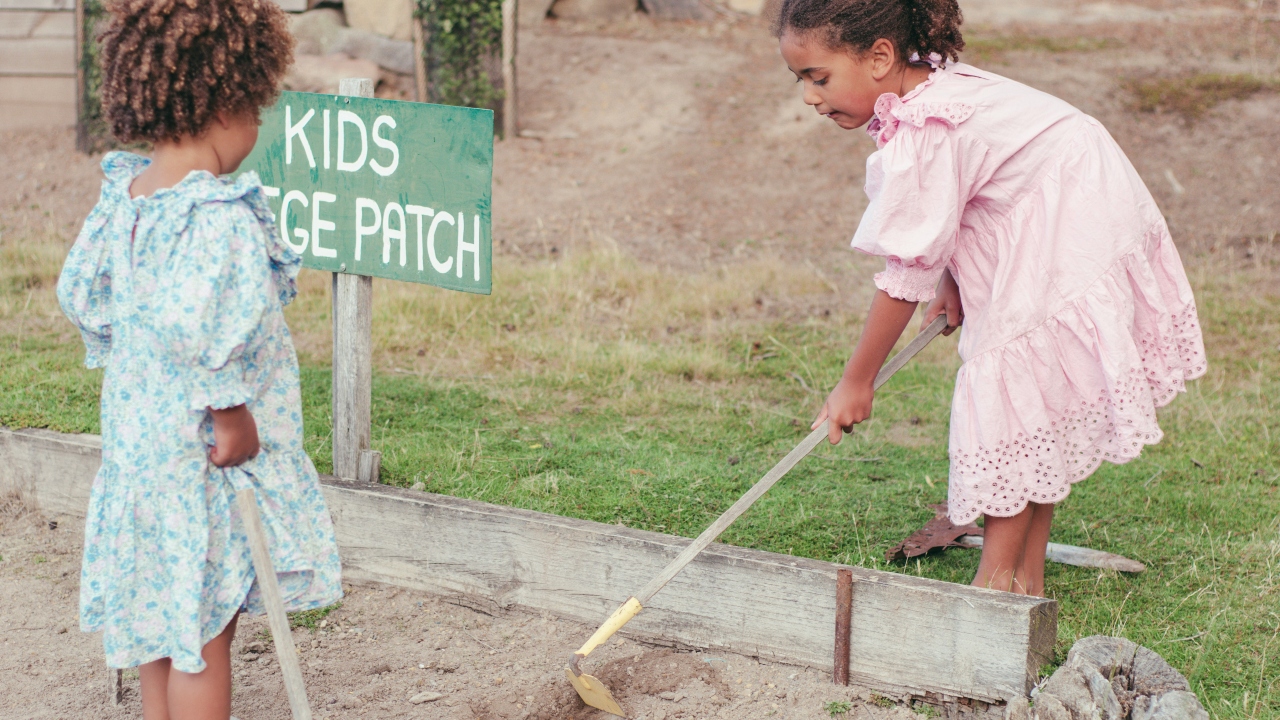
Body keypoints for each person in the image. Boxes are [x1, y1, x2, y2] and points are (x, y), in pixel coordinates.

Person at [775, 0, 1205, 596]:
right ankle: (1024, 579)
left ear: (879, 57)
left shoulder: (925, 126)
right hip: (1071, 185)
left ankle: (995, 584)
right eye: (802, 81)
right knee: (1030, 391)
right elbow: (957, 203)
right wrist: (955, 281)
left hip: (1068, 207)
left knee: (1008, 381)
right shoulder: (926, 94)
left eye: (818, 77)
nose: (809, 97)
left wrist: (858, 381)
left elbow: (905, 270)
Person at [56, 1, 342, 718]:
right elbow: (201, 326)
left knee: (162, 618)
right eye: (256, 109)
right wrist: (231, 410)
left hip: (142, 451)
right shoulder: (217, 216)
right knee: (205, 631)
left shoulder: (128, 198)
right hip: (200, 457)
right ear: (224, 107)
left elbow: (83, 295)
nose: (257, 130)